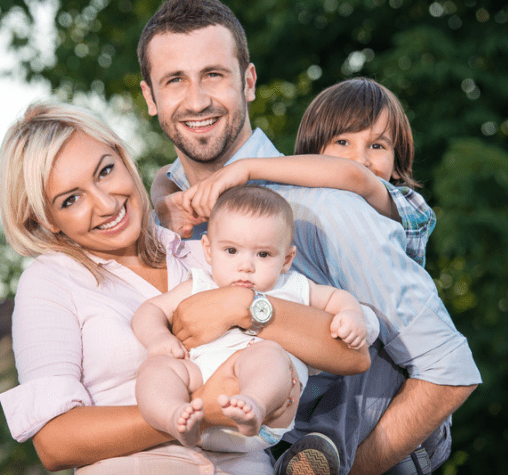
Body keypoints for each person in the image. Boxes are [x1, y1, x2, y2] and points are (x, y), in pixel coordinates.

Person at [136, 1, 481, 474]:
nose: (196, 100)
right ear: (150, 97)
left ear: (249, 81)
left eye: (214, 74)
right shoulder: (161, 219)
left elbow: (449, 373)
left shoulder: (325, 209)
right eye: (175, 79)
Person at [0, 101, 368, 475]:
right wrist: (200, 411)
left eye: (106, 171)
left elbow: (353, 356)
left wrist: (244, 305)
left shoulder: (208, 252)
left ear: (124, 160)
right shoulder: (50, 282)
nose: (106, 204)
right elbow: (55, 442)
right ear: (47, 221)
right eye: (71, 199)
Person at [133, 185, 372, 454]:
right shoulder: (200, 284)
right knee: (157, 368)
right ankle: (174, 417)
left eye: (263, 254)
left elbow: (336, 298)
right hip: (200, 400)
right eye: (232, 251)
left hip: (264, 416)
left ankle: (252, 405)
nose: (246, 265)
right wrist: (157, 337)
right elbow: (150, 309)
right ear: (208, 250)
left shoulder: (292, 286)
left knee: (267, 353)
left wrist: (349, 314)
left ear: (286, 259)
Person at [157, 78, 435, 268]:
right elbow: (164, 172)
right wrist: (164, 200)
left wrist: (245, 167)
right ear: (312, 154)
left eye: (377, 145)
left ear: (397, 160)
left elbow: (355, 176)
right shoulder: (303, 199)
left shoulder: (402, 204)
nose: (360, 159)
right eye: (342, 142)